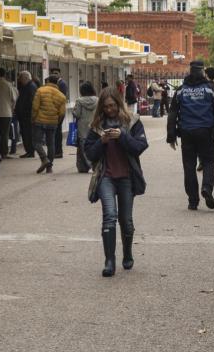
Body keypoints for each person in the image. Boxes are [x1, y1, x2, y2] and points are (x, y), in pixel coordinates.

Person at [83, 88, 148, 277]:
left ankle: (127, 253)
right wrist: (101, 141)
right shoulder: (96, 126)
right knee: (109, 216)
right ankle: (109, 261)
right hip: (106, 177)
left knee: (126, 220)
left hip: (127, 177)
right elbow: (89, 154)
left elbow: (140, 147)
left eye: (112, 105)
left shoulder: (132, 121)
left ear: (119, 104)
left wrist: (122, 136)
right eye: (106, 107)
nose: (110, 110)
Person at [167, 61, 214, 210]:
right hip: (206, 132)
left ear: (190, 71)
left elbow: (172, 114)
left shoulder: (181, 90)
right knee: (209, 162)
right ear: (202, 72)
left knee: (189, 166)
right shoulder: (211, 90)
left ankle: (193, 201)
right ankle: (207, 188)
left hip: (186, 132)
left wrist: (171, 136)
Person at [31, 75, 67, 174]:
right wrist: (57, 121)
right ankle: (49, 167)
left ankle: (44, 159)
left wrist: (33, 118)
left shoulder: (40, 91)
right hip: (53, 122)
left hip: (39, 121)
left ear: (48, 81)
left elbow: (35, 107)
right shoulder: (61, 96)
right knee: (51, 144)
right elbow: (62, 113)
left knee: (36, 142)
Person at [0, 67, 17, 158]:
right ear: (5, 74)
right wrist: (12, 109)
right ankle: (4, 153)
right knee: (4, 134)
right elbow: (14, 99)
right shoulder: (9, 85)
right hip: (6, 113)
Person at [72, 81, 98, 173]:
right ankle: (93, 165)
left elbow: (77, 114)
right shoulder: (97, 100)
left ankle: (86, 166)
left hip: (82, 127)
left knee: (82, 147)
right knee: (94, 146)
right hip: (94, 126)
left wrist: (73, 111)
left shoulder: (79, 100)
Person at [15, 71, 38, 157]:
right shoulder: (27, 86)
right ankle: (29, 151)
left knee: (27, 133)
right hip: (25, 115)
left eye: (21, 79)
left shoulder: (30, 87)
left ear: (25, 78)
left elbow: (31, 101)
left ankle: (30, 151)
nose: (20, 81)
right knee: (25, 133)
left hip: (27, 115)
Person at [50, 68, 69, 159]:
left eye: (56, 73)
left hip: (59, 111)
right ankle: (56, 151)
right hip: (55, 111)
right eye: (53, 73)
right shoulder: (56, 84)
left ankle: (58, 151)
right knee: (55, 132)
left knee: (57, 132)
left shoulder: (62, 84)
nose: (55, 75)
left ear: (60, 74)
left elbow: (63, 97)